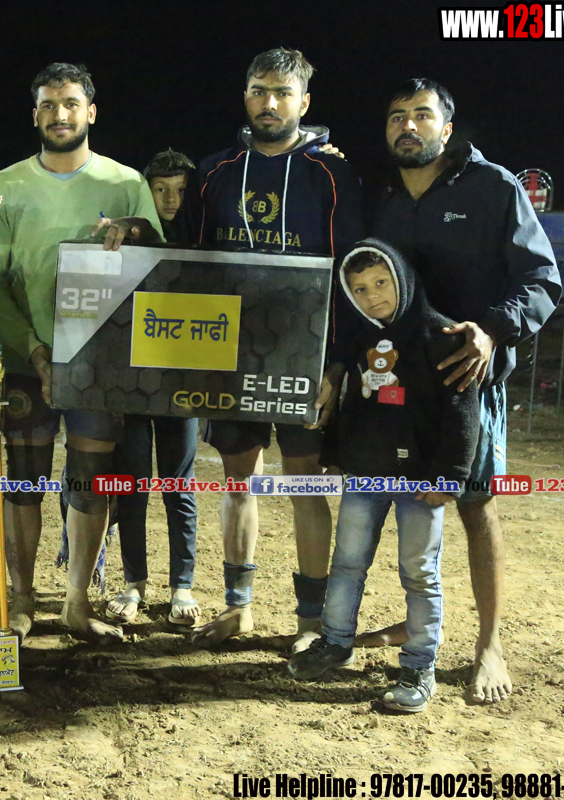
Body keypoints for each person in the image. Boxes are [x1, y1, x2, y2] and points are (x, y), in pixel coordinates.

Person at [343, 78, 560, 704]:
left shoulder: (493, 187)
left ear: (447, 126)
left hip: (465, 375)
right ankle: (413, 624)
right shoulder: (378, 193)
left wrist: (492, 331)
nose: (408, 126)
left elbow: (541, 278)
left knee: (473, 502)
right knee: (399, 502)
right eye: (396, 117)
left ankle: (489, 644)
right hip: (391, 381)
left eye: (421, 115)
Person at [180, 48, 363, 651]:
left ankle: (310, 621)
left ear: (304, 102)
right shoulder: (214, 172)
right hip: (230, 356)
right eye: (259, 90)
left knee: (305, 482)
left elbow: (349, 274)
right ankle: (239, 607)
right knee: (239, 481)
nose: (270, 102)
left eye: (283, 93)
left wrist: (337, 364)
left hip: (306, 359)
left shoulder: (331, 174)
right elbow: (189, 264)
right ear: (245, 97)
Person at [0, 62, 162, 642]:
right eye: (47, 105)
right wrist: (34, 350)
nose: (59, 115)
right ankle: (22, 600)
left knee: (91, 479)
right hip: (24, 362)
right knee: (23, 481)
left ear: (91, 112)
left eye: (69, 104)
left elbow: (157, 267)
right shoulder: (2, 186)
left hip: (98, 368)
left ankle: (77, 602)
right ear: (34, 114)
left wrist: (139, 232)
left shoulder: (126, 184)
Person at [288, 239, 480, 713]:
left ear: (403, 280)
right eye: (360, 288)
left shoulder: (442, 335)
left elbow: (462, 412)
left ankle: (419, 666)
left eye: (381, 282)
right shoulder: (358, 339)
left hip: (422, 483)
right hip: (365, 477)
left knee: (419, 573)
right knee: (347, 564)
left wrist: (450, 476)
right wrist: (337, 454)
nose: (372, 295)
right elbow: (349, 405)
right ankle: (336, 642)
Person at [103, 148, 201, 626]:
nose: (171, 199)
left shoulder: (203, 239)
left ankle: (183, 585)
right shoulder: (131, 239)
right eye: (160, 189)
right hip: (136, 384)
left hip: (183, 384)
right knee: (134, 484)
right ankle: (134, 583)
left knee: (178, 485)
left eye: (180, 190)